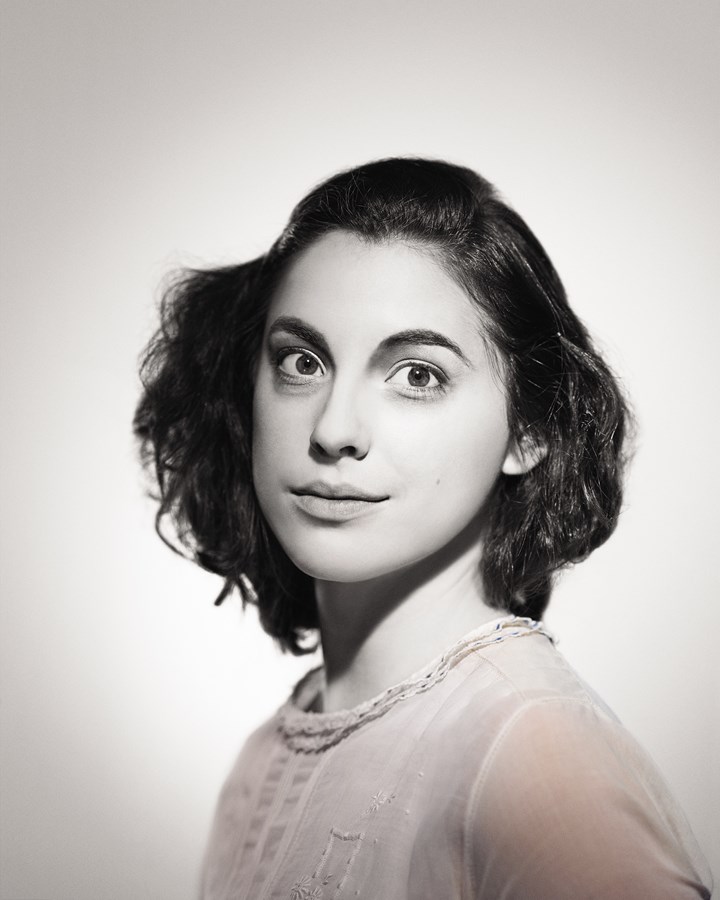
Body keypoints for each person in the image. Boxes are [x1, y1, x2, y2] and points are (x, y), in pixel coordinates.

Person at [134, 158, 713, 899]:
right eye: (302, 362)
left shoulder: (536, 751)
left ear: (529, 428)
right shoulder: (262, 760)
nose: (334, 429)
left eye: (417, 375)